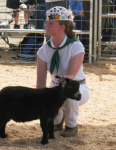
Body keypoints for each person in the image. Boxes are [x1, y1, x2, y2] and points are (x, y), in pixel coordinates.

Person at [36, 6, 89, 137]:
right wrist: (39, 98)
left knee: (69, 95)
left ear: (62, 27)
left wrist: (57, 92)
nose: (46, 25)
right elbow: (41, 82)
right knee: (47, 99)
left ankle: (71, 126)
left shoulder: (76, 46)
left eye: (51, 23)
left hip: (77, 87)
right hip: (55, 86)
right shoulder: (43, 50)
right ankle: (57, 122)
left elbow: (71, 75)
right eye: (47, 22)